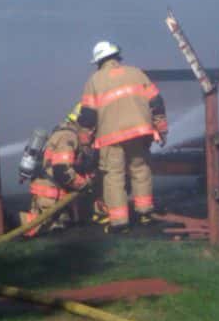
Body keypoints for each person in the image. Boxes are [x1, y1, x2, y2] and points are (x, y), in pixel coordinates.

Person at [80, 40, 167, 233]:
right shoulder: (137, 73)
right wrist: (161, 126)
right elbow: (156, 101)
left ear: (98, 61)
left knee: (114, 177)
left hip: (111, 138)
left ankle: (120, 223)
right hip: (139, 132)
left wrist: (85, 140)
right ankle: (145, 214)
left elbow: (87, 116)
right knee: (141, 170)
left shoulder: (94, 81)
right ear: (116, 56)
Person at [20, 103, 97, 236]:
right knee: (41, 229)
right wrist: (85, 184)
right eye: (90, 130)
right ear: (81, 126)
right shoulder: (68, 137)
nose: (91, 135)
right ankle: (7, 221)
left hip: (54, 197)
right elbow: (63, 172)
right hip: (49, 198)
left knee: (61, 228)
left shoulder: (69, 134)